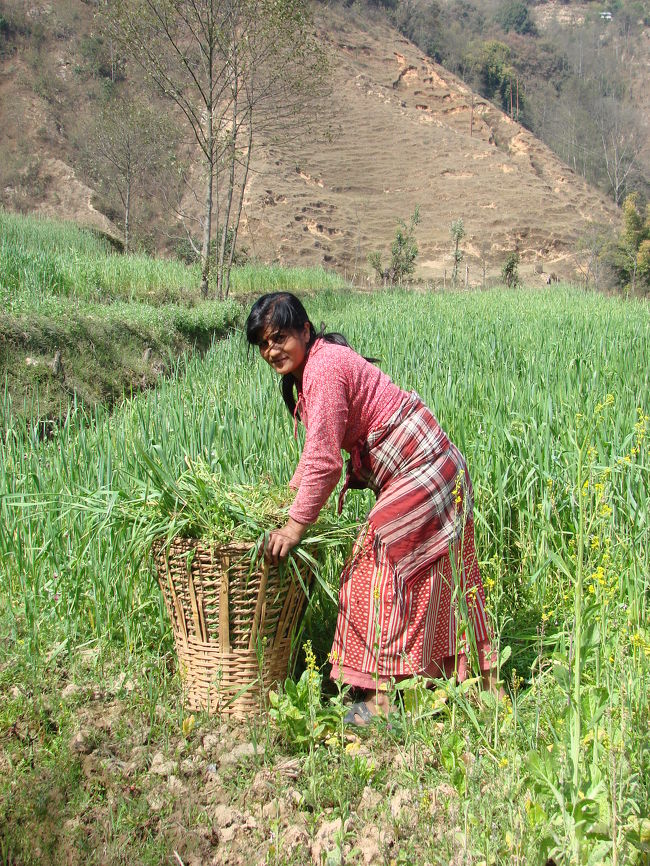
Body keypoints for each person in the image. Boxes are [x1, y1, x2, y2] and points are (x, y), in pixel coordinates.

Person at [246, 292, 499, 725]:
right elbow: (316, 453)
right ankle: (452, 684)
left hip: (425, 467)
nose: (272, 351)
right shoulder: (316, 365)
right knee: (430, 575)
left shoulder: (323, 368)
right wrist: (289, 500)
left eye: (280, 337)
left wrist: (293, 527)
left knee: (373, 563)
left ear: (306, 331)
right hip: (431, 465)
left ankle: (383, 701)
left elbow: (325, 462)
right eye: (264, 343)